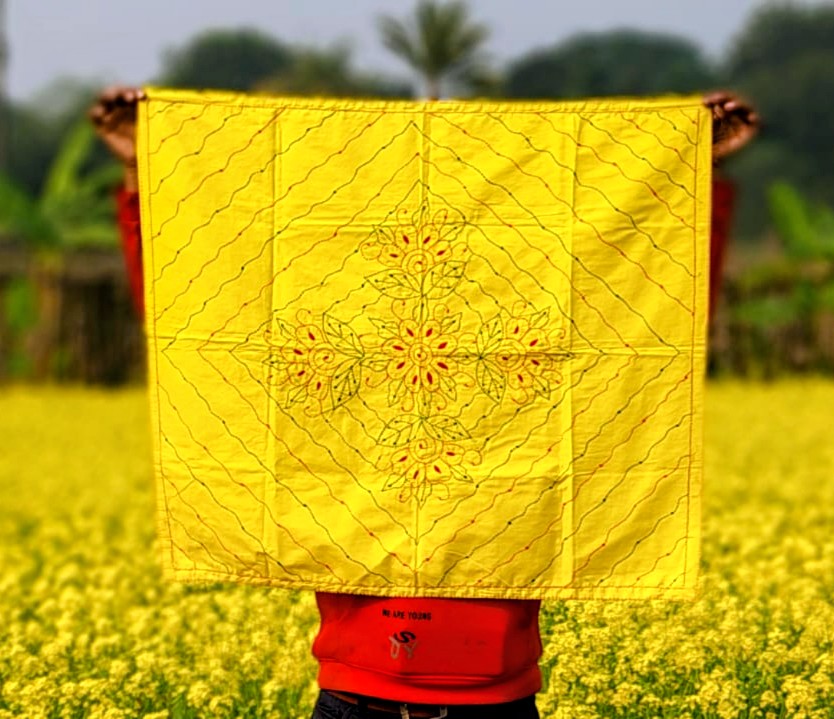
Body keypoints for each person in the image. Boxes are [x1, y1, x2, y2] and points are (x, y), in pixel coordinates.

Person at [90, 87, 757, 719]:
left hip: (496, 705)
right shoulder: (341, 385)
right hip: (355, 700)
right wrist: (144, 176)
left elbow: (660, 323)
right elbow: (194, 326)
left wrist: (696, 170)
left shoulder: (542, 378)